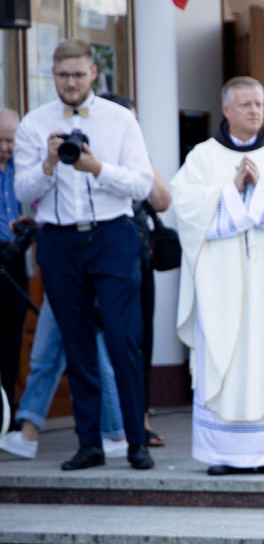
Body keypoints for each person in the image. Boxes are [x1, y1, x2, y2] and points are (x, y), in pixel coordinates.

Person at [14, 38, 154, 471]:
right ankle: (89, 443)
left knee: (123, 339)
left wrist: (98, 169)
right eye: (62, 75)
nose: (70, 83)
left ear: (93, 73)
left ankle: (135, 441)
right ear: (51, 75)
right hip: (57, 240)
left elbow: (142, 184)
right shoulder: (34, 125)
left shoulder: (119, 120)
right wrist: (50, 165)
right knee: (76, 343)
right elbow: (23, 193)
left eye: (78, 74)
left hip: (113, 235)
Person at [171, 76, 264, 476]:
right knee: (223, 356)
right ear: (227, 111)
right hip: (219, 287)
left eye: (259, 103)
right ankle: (220, 453)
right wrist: (232, 191)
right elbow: (183, 208)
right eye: (246, 104)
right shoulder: (202, 157)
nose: (255, 111)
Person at [100, 92, 173, 448]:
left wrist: (140, 157)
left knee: (140, 339)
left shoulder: (135, 157)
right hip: (99, 257)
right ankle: (110, 423)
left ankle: (139, 420)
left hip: (138, 256)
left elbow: (162, 199)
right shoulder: (91, 156)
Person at [0, 297, 126, 459]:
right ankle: (28, 434)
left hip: (85, 278)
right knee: (45, 355)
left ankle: (115, 435)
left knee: (94, 354)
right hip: (58, 277)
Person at [0, 109, 26, 416]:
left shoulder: (22, 168)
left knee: (12, 336)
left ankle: (7, 410)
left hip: (17, 256)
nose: (7, 147)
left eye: (11, 140)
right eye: (1, 140)